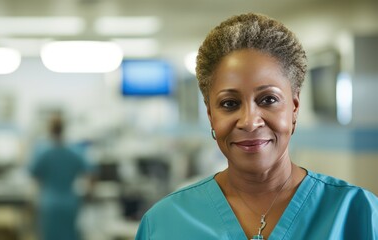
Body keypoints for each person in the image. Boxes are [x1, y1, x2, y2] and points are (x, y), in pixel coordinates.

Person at [135, 13, 378, 240]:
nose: (250, 122)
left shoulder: (357, 214)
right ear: (210, 115)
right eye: (229, 103)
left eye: (268, 100)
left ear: (294, 108)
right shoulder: (164, 223)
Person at [28, 115, 91, 240]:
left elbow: (34, 174)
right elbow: (91, 172)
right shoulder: (74, 151)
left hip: (49, 203)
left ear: (49, 129)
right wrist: (88, 193)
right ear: (64, 129)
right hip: (69, 202)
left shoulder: (42, 152)